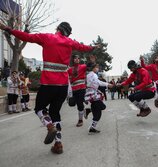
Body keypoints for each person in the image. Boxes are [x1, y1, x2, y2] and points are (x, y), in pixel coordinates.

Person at [0, 21, 98, 154]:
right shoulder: (70, 42)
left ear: (58, 28)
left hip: (48, 83)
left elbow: (26, 36)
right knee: (55, 113)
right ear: (68, 33)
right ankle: (58, 144)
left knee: (40, 108)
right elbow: (83, 47)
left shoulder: (47, 37)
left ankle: (49, 126)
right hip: (63, 85)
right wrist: (93, 47)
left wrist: (9, 30)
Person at [85, 63, 113, 134]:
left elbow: (97, 82)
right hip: (94, 95)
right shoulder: (93, 75)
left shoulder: (88, 75)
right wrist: (108, 84)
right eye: (97, 67)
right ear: (93, 68)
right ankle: (89, 111)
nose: (98, 69)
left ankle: (92, 128)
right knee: (101, 109)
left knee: (97, 112)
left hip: (91, 94)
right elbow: (98, 82)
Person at [68, 55, 87, 127]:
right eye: (75, 58)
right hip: (73, 89)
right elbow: (67, 78)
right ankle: (84, 109)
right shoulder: (70, 69)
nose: (77, 59)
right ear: (73, 60)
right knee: (72, 103)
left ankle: (80, 120)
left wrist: (92, 61)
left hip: (82, 87)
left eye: (78, 58)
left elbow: (90, 66)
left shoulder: (83, 66)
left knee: (79, 104)